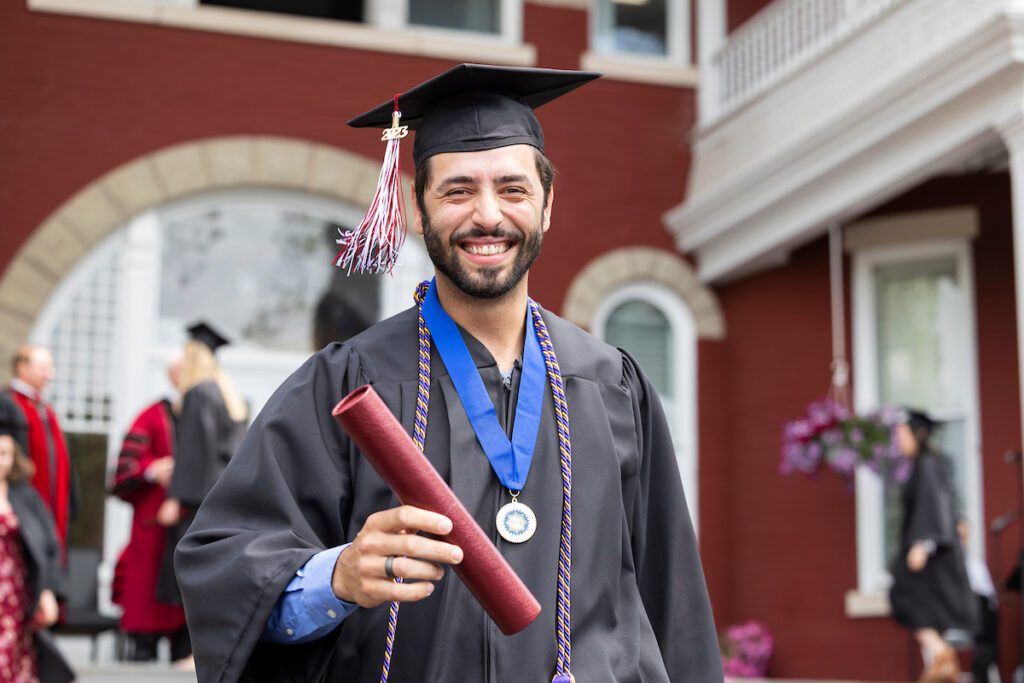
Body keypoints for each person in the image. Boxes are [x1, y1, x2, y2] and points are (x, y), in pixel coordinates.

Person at [176, 64, 722, 682]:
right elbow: (226, 561)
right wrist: (337, 576)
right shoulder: (350, 380)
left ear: (546, 207)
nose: (487, 215)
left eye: (513, 190)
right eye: (458, 191)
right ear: (419, 209)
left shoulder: (611, 384)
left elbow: (671, 597)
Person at [156, 322, 248, 616]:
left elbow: (196, 451)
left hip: (199, 502)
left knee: (190, 569)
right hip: (224, 495)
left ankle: (187, 650)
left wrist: (175, 497)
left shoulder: (198, 394)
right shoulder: (227, 393)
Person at [109, 356, 190, 664]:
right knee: (145, 634)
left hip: (187, 529)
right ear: (171, 375)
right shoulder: (151, 415)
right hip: (153, 530)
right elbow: (124, 468)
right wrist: (150, 469)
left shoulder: (203, 413)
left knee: (185, 635)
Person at [889, 410, 976, 683]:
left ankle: (942, 656)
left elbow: (933, 505)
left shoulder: (927, 464)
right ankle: (941, 665)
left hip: (929, 557)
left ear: (918, 435)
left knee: (914, 604)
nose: (899, 440)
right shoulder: (925, 465)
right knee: (923, 615)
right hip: (929, 554)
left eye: (902, 434)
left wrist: (923, 544)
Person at [0, 421, 75, 683]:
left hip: (16, 597)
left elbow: (49, 547)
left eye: (4, 454)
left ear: (14, 458)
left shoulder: (25, 497)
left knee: (14, 662)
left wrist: (47, 591)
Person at [0, 346, 73, 546]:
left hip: (53, 505)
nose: (50, 375)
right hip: (23, 503)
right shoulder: (6, 403)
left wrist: (71, 500)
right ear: (22, 368)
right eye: (43, 368)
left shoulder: (45, 408)